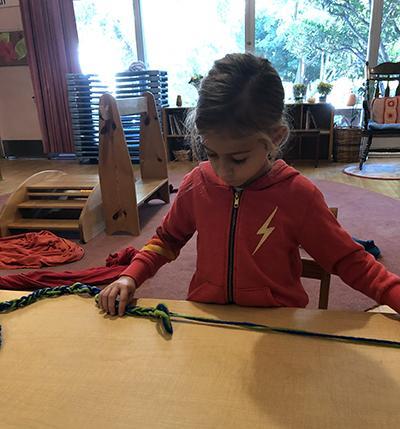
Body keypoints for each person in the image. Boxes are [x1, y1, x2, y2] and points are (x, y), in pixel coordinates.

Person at [99, 53, 400, 316]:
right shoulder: (197, 183)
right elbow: (166, 241)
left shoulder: (299, 196)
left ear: (277, 138)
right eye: (212, 153)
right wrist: (130, 276)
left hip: (278, 325)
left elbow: (350, 260)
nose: (222, 170)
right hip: (208, 320)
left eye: (238, 158)